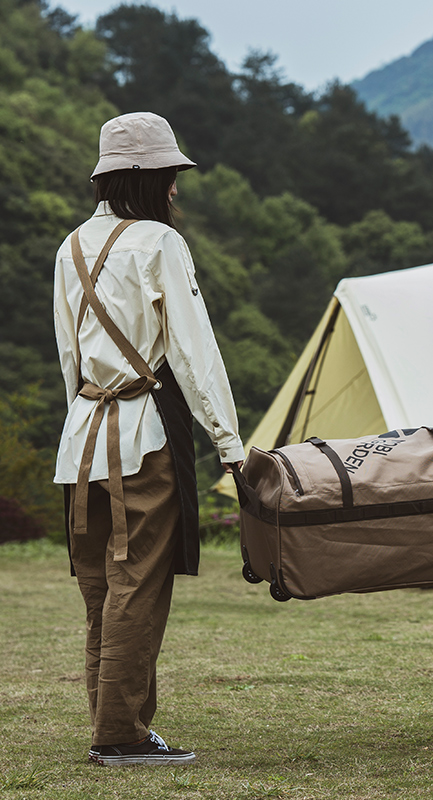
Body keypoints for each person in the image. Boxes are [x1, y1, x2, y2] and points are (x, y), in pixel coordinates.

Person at [53, 112, 245, 766]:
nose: (175, 191)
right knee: (137, 583)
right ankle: (123, 735)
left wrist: (77, 426)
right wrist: (231, 444)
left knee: (101, 590)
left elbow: (69, 363)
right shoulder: (160, 244)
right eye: (169, 177)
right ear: (147, 178)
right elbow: (194, 356)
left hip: (80, 443)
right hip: (140, 439)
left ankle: (115, 724)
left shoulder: (69, 247)